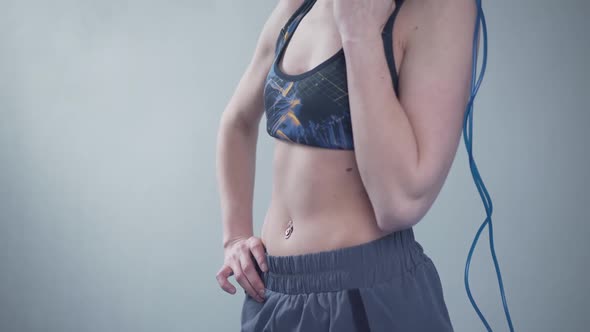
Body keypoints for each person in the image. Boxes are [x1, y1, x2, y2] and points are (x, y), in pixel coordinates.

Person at [216, 0, 476, 330]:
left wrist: (361, 34)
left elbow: (399, 204)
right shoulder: (300, 5)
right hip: (273, 291)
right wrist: (235, 238)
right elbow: (237, 121)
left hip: (365, 295)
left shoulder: (439, 8)